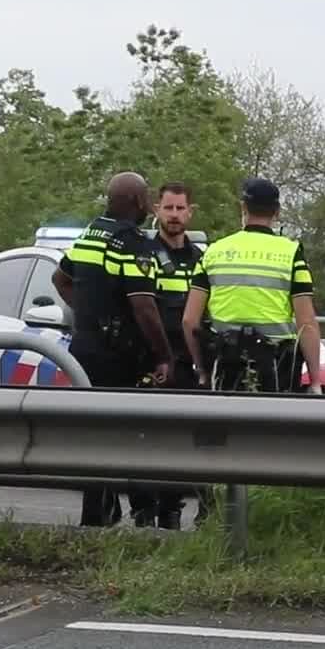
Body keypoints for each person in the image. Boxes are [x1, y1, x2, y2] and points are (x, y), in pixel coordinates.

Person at [51, 171, 178, 527]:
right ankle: (142, 510)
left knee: (95, 436)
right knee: (131, 433)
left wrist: (89, 311)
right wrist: (164, 355)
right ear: (138, 202)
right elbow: (143, 306)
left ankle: (98, 515)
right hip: (118, 353)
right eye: (147, 197)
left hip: (84, 348)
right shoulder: (131, 241)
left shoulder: (91, 233)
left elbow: (60, 278)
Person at [182, 177, 323, 395]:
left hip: (226, 365)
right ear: (277, 211)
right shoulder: (292, 253)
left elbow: (189, 320)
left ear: (243, 207)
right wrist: (315, 381)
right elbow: (307, 323)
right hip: (276, 369)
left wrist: (202, 370)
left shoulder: (214, 251)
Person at [127, 182, 206, 529]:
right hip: (152, 360)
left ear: (190, 212)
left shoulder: (200, 259)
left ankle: (172, 512)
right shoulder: (143, 252)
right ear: (157, 209)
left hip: (188, 362)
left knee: (180, 442)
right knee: (146, 440)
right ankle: (144, 513)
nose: (174, 215)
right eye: (168, 208)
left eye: (180, 209)